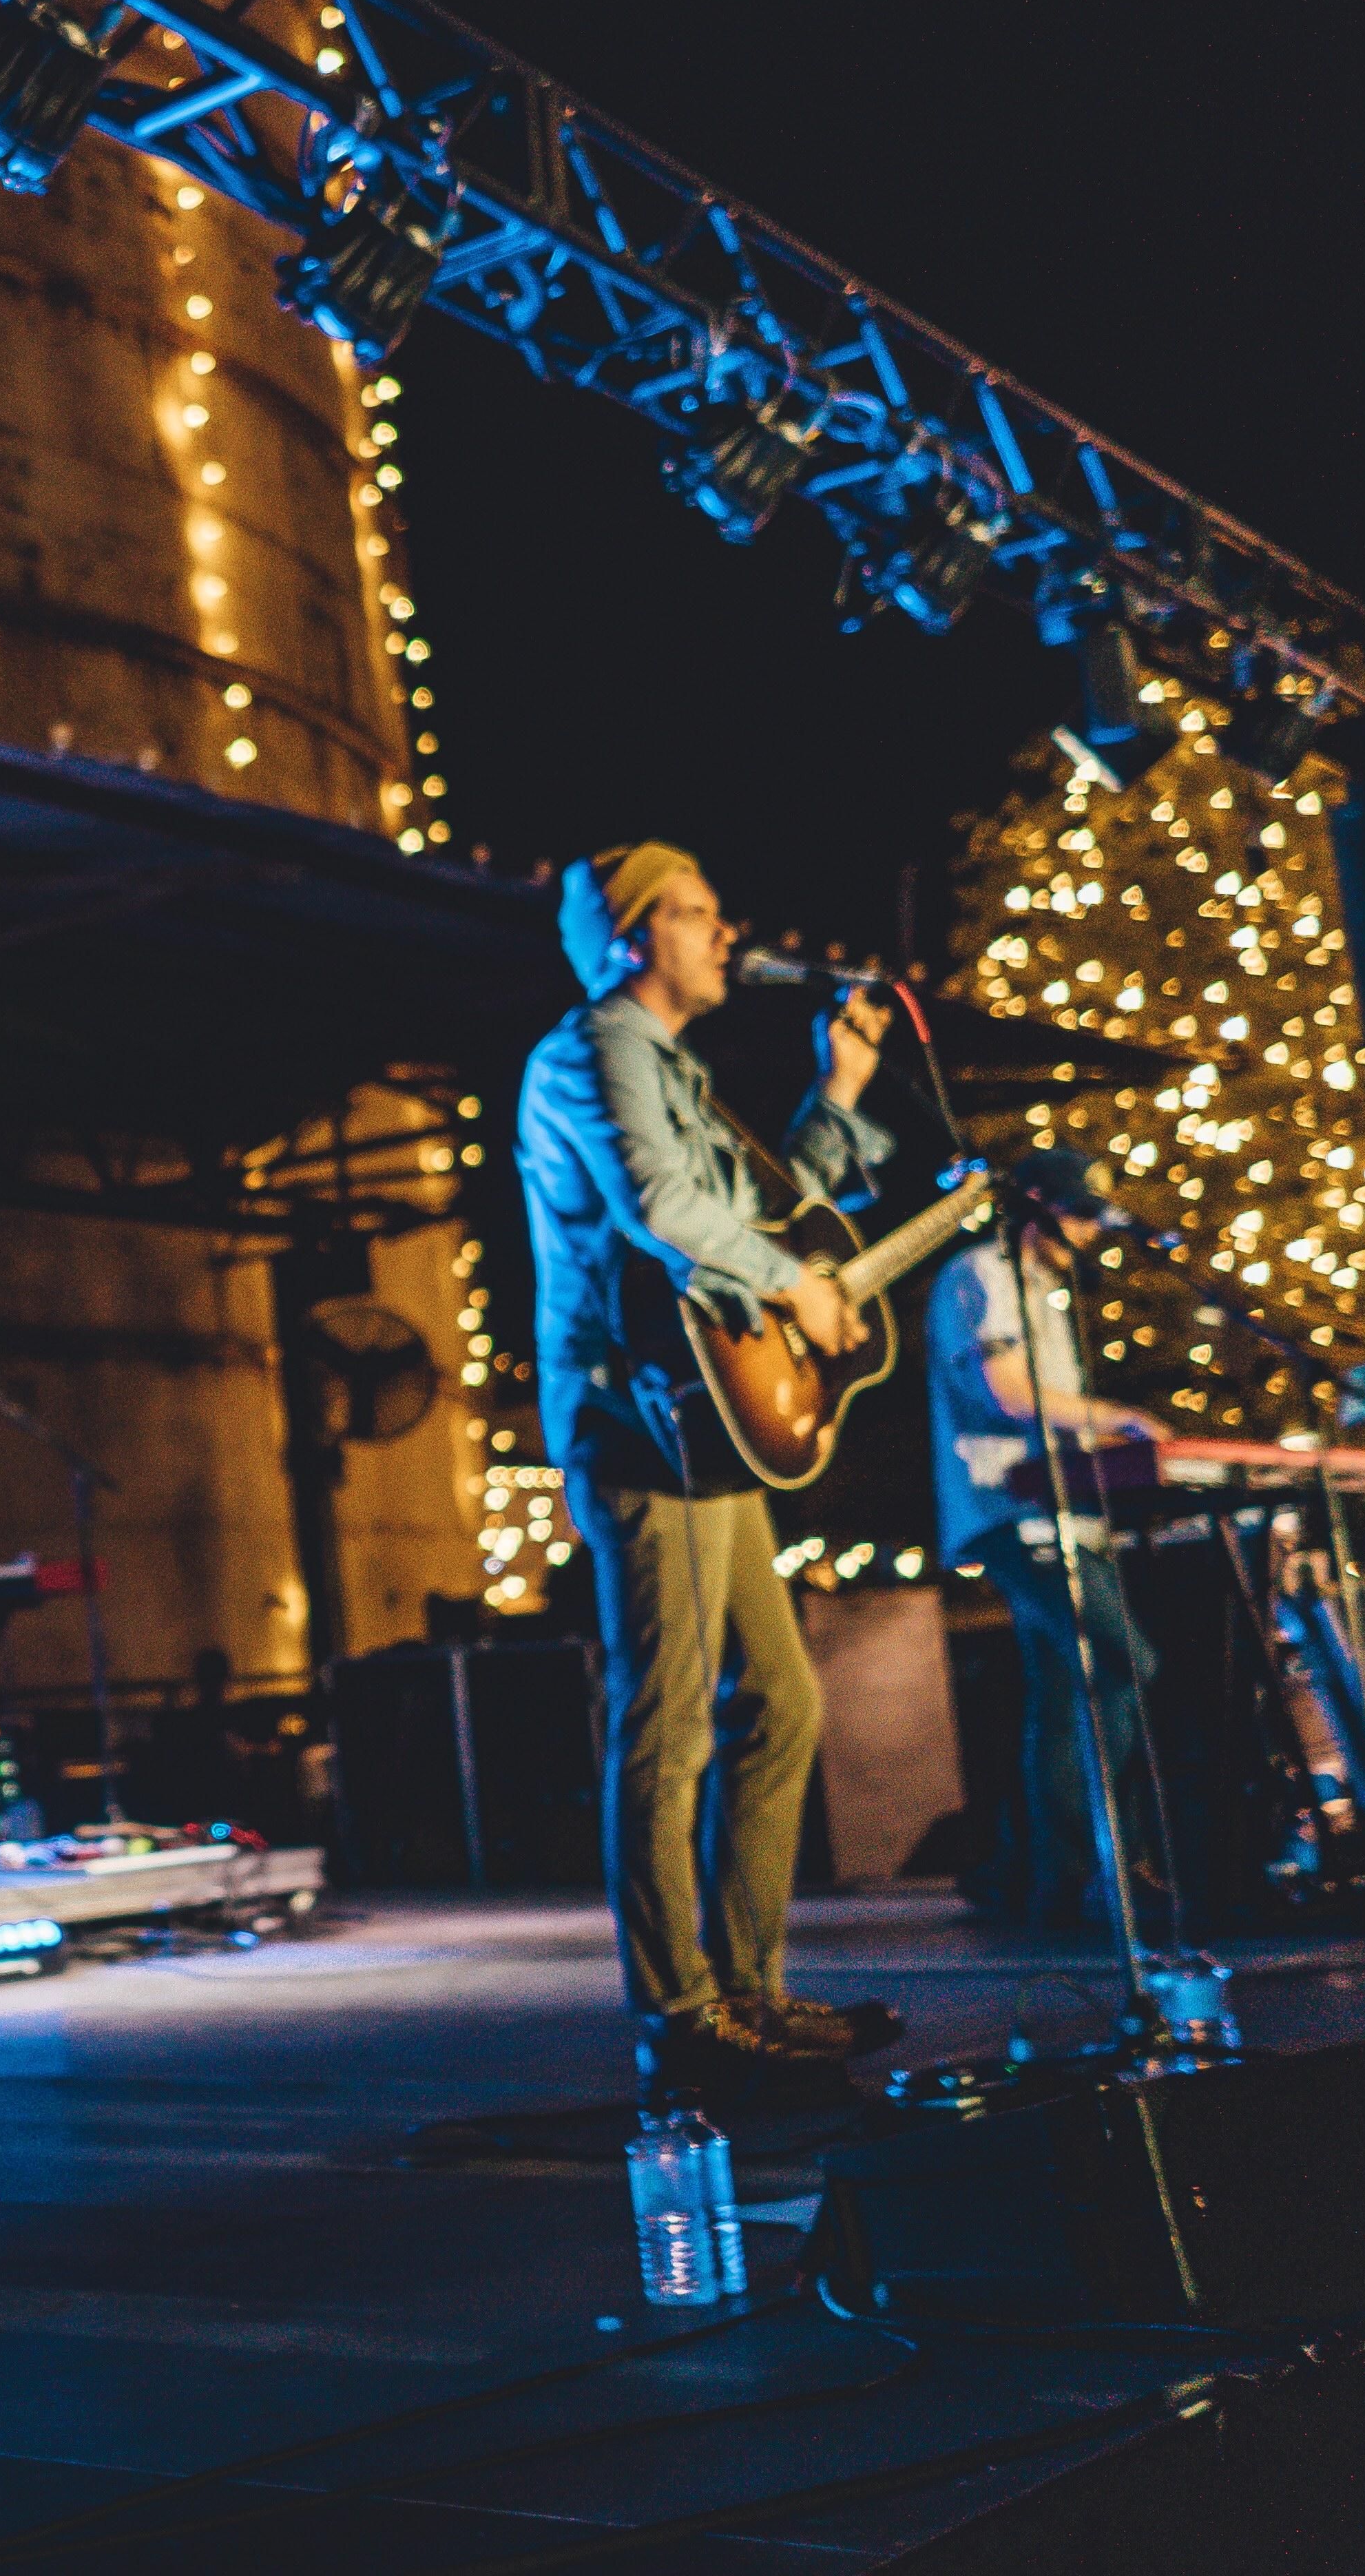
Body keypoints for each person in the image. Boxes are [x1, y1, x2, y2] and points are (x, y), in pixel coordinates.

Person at [514, 842, 905, 2105]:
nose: (726, 934)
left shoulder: (672, 1067)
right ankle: (680, 2018)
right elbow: (660, 1205)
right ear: (633, 937)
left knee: (780, 1702)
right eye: (696, 914)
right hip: (642, 1423)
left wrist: (839, 1093)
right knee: (670, 1722)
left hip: (703, 1423)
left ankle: (747, 1989)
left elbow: (768, 1211)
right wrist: (796, 1286)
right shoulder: (592, 1050)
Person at [926, 1147, 1170, 1929]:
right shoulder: (983, 1274)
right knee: (1123, 1661)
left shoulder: (1043, 1292)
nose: (1089, 1233)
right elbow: (1008, 1392)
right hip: (1012, 1513)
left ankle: (1051, 1883)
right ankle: (1109, 1868)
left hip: (1061, 1513)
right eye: (1078, 1215)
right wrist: (1118, 1419)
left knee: (1069, 1692)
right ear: (1033, 1202)